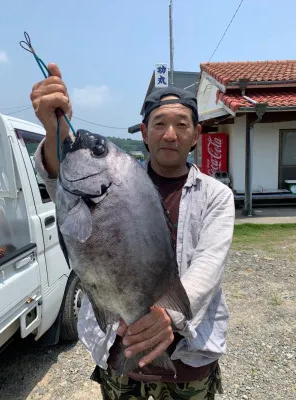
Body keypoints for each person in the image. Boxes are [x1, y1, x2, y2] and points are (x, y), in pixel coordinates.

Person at [31, 63, 235, 400]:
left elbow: (209, 266)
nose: (170, 134)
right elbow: (65, 193)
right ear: (144, 131)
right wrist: (54, 130)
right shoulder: (116, 177)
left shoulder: (216, 194)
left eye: (181, 124)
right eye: (160, 124)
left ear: (196, 134)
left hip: (190, 359)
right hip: (119, 353)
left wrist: (166, 316)